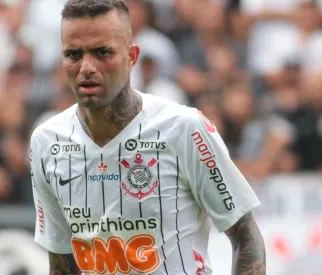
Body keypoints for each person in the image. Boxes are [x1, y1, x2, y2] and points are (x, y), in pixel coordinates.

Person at [29, 1, 266, 274]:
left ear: (131, 57)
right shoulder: (47, 141)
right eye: (73, 54)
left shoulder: (184, 128)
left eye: (102, 52)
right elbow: (61, 260)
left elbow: (247, 236)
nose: (86, 67)